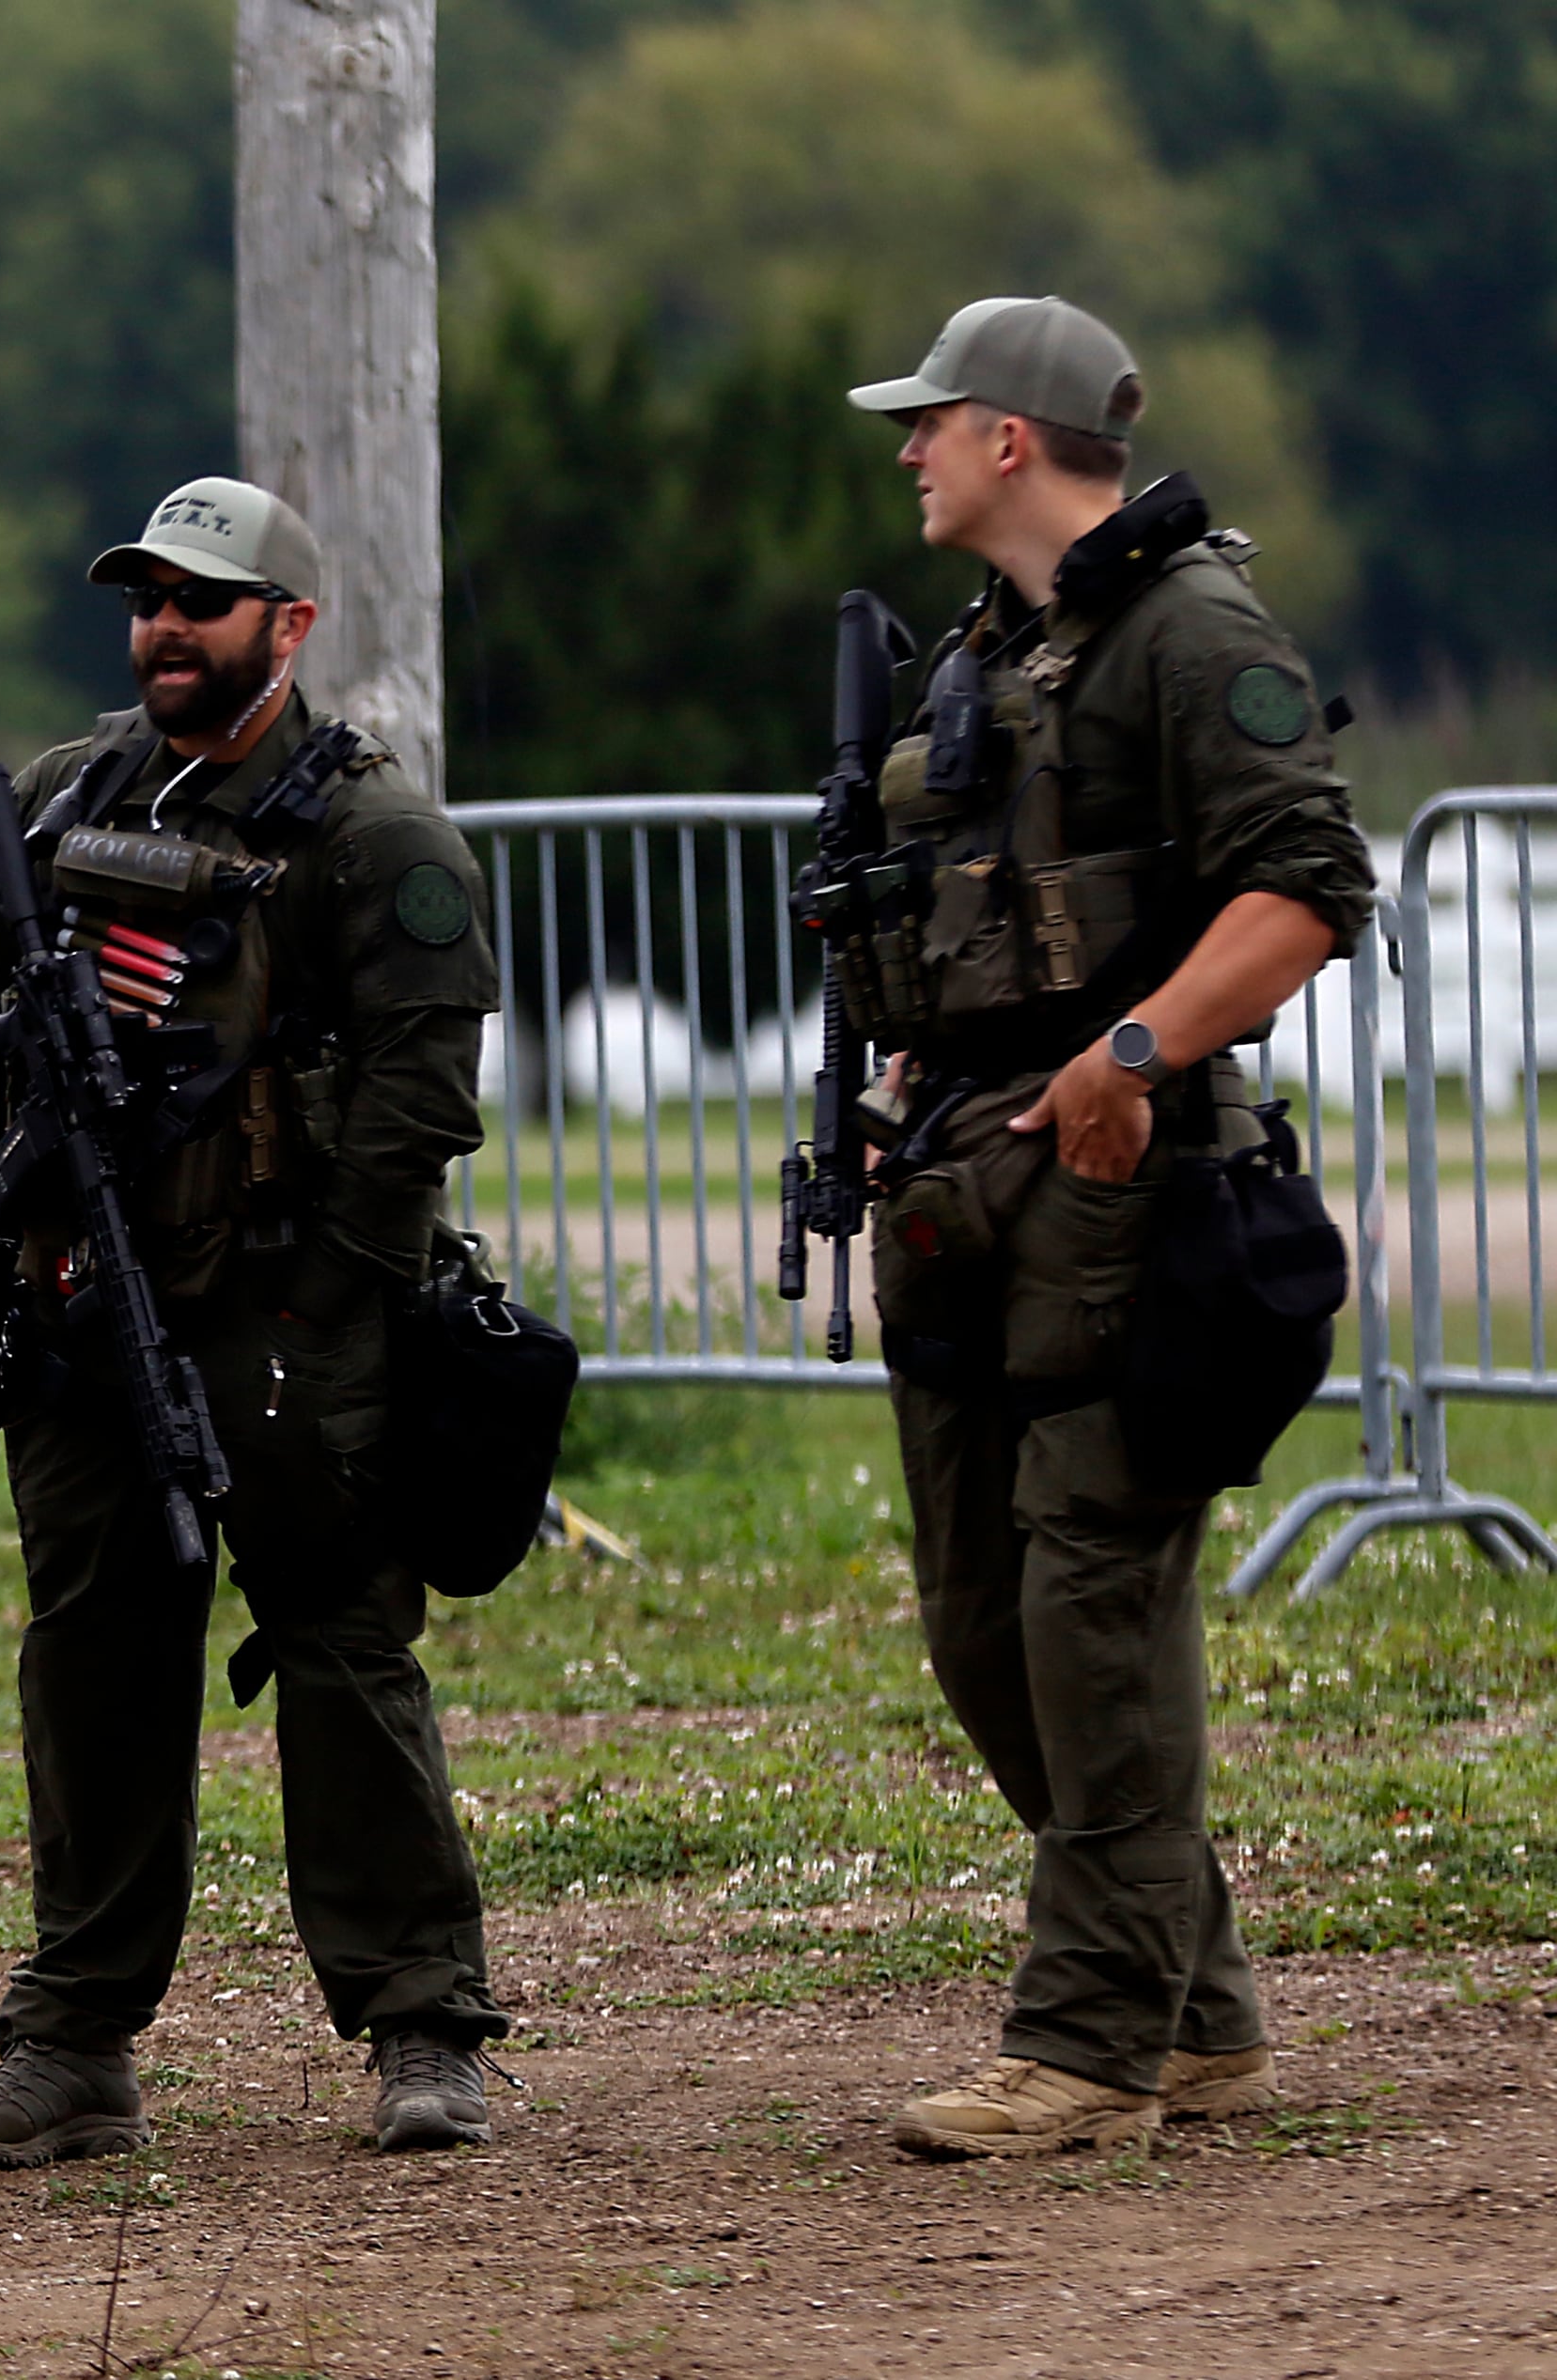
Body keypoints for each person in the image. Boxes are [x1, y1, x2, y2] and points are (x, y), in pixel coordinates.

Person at [0, 475, 512, 2165]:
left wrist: (324, 1295)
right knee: (94, 1651)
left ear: (285, 627)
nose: (164, 627)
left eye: (201, 602)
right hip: (83, 1293)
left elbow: (419, 1102)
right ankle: (73, 2037)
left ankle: (425, 2022)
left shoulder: (374, 839)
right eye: (146, 598)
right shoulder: (71, 799)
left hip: (290, 1308)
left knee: (339, 1646)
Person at [838, 300, 1371, 2156]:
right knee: (988, 1622)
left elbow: (1305, 889)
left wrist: (1130, 1049)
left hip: (1127, 1190)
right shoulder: (995, 650)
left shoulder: (1191, 631)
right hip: (971, 1185)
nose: (906, 449)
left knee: (1091, 1611)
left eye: (932, 421)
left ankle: (1086, 2044)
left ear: (1014, 436)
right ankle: (1201, 2006)